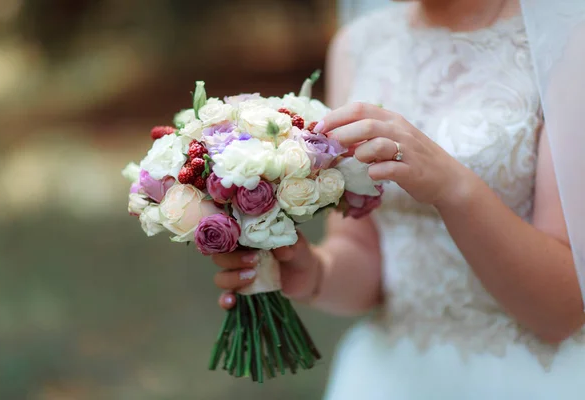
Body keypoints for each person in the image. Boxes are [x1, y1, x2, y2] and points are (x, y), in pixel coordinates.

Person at [210, 0, 585, 398]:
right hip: (393, 374)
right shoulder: (358, 45)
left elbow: (560, 312)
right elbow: (363, 251)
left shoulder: (568, 42)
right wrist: (315, 272)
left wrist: (451, 187)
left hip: (532, 376)